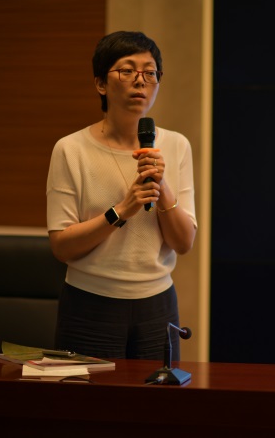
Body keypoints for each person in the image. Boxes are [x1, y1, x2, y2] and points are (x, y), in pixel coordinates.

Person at [46, 31, 197, 360]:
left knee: (156, 392)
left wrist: (162, 185)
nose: (140, 81)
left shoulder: (176, 145)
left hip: (157, 304)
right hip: (88, 305)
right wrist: (121, 211)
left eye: (150, 72)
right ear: (101, 83)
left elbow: (184, 243)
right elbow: (61, 246)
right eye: (127, 71)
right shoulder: (71, 149)